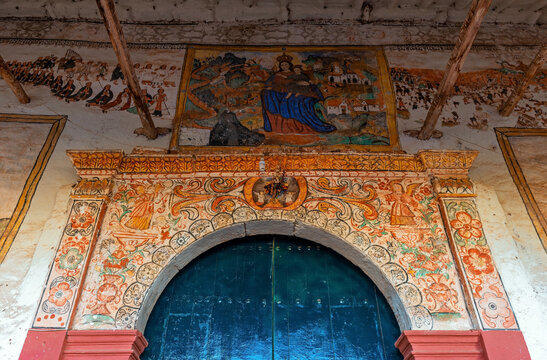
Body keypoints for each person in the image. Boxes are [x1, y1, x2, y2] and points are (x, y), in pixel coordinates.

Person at [261, 53, 336, 134]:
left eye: (285, 64)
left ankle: (300, 124)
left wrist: (299, 84)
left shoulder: (294, 74)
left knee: (296, 100)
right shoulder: (277, 75)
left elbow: (303, 82)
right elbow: (269, 83)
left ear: (289, 65)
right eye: (282, 65)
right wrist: (269, 88)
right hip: (279, 92)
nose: (284, 66)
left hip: (294, 91)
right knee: (267, 93)